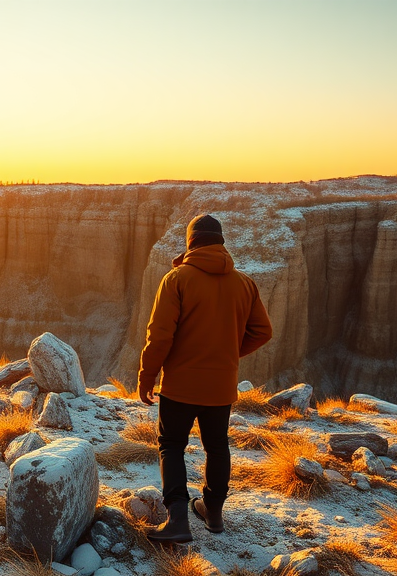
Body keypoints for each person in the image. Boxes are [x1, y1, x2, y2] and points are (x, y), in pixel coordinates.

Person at [137, 214, 273, 544]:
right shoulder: (244, 283)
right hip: (220, 386)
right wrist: (226, 355)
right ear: (220, 242)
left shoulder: (176, 279)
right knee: (217, 447)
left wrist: (147, 377)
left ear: (191, 243)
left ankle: (178, 520)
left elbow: (160, 337)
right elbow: (263, 331)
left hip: (180, 385)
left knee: (171, 446)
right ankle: (212, 513)